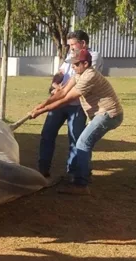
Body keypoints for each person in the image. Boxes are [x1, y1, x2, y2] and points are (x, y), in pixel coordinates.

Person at [31, 49, 123, 194]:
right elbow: (61, 92)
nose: (72, 67)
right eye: (72, 64)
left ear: (85, 63)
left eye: (76, 64)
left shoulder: (89, 76)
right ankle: (83, 177)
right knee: (84, 143)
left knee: (82, 143)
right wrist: (42, 105)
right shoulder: (78, 74)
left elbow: (67, 100)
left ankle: (81, 185)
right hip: (101, 114)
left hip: (109, 114)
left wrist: (41, 111)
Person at [37, 30, 102, 180]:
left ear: (83, 44)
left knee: (75, 139)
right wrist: (55, 83)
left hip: (77, 104)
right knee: (47, 134)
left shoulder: (93, 56)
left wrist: (59, 92)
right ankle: (42, 169)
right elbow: (61, 71)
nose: (71, 48)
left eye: (73, 44)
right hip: (60, 102)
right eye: (69, 45)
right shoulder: (71, 55)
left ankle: (73, 172)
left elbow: (79, 77)